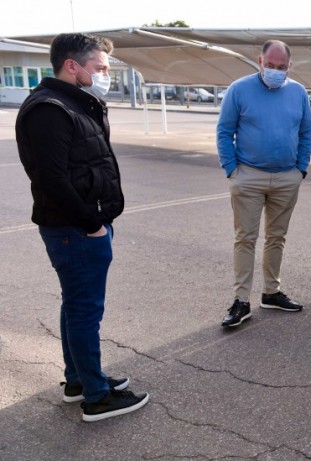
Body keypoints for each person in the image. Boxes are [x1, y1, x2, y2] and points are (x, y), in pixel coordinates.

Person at [15, 32, 150, 422]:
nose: (106, 74)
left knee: (76, 305)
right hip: (75, 229)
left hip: (82, 225)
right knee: (85, 310)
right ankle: (96, 397)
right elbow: (53, 180)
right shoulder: (50, 110)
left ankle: (78, 379)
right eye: (100, 67)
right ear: (72, 66)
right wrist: (92, 224)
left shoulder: (73, 103)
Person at [216, 40, 311, 327]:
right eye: (269, 66)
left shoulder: (298, 92)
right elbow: (224, 131)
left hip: (287, 177)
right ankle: (241, 301)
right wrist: (232, 170)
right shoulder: (239, 89)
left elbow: (306, 132)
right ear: (259, 61)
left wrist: (301, 169)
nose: (274, 71)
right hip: (248, 176)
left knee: (276, 237)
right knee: (245, 238)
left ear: (289, 67)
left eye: (281, 67)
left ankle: (271, 292)